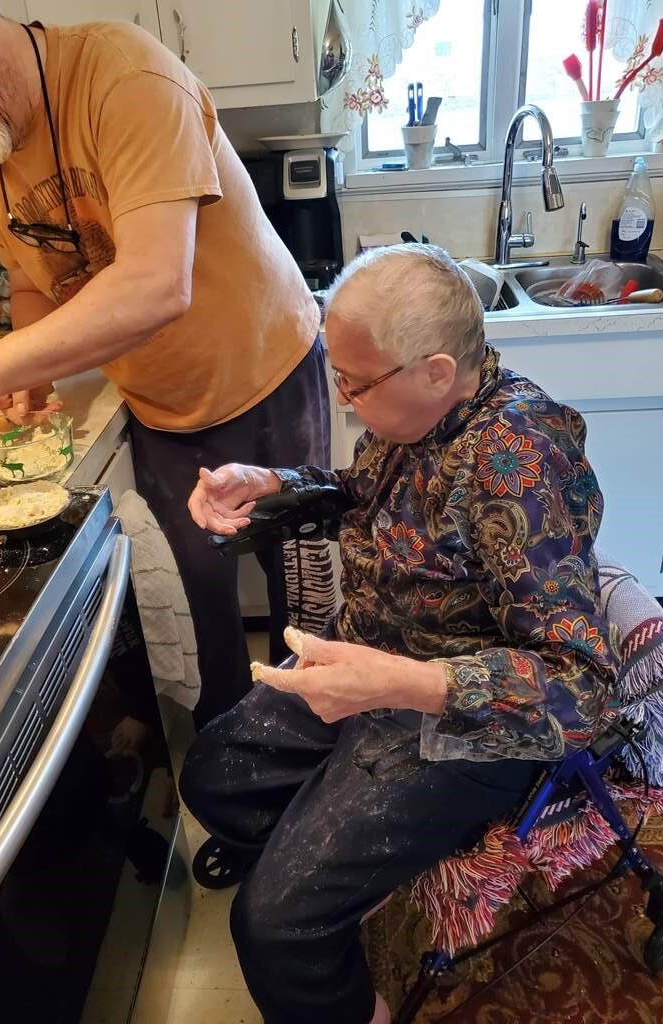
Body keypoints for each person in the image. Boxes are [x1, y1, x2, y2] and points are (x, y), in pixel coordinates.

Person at [181, 244, 619, 1024]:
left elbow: (580, 685)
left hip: (460, 721)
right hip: (371, 667)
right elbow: (363, 490)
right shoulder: (414, 417)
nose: (344, 401)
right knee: (215, 772)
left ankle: (341, 973)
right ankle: (339, 871)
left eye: (354, 383)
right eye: (336, 375)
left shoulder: (517, 464)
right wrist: (275, 483)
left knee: (271, 926)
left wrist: (396, 684)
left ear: (436, 370)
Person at [0, 0, 329, 726]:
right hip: (161, 405)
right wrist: (28, 373)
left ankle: (311, 747)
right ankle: (233, 758)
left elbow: (155, 284)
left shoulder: (124, 75)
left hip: (265, 372)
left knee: (298, 588)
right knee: (196, 595)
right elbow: (29, 279)